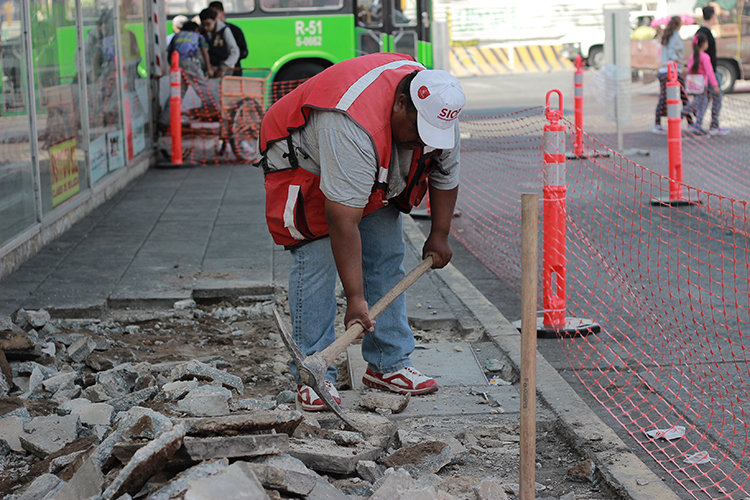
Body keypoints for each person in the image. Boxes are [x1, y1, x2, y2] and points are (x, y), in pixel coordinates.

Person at [257, 53, 466, 411]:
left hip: (368, 153)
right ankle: (313, 372)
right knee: (316, 257)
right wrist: (355, 299)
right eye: (418, 132)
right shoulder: (351, 125)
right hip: (304, 155)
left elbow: (446, 175)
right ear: (402, 105)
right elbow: (343, 221)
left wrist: (440, 234)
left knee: (386, 252)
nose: (424, 141)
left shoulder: (438, 113)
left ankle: (389, 363)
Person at [653, 16, 691, 134]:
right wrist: (682, 62)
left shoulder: (666, 35)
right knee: (684, 97)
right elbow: (672, 55)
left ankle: (657, 123)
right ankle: (691, 123)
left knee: (663, 98)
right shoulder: (674, 36)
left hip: (664, 71)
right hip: (673, 72)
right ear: (679, 25)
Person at [695, 5, 729, 135]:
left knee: (704, 100)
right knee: (716, 97)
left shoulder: (700, 32)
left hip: (706, 72)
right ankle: (713, 125)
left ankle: (698, 125)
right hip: (709, 72)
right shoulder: (705, 33)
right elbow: (705, 58)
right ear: (713, 16)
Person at [683, 33, 721, 135]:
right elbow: (710, 72)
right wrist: (715, 85)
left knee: (701, 105)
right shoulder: (705, 57)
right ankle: (682, 112)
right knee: (699, 103)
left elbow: (689, 70)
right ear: (704, 44)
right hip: (701, 86)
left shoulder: (693, 56)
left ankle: (698, 126)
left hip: (693, 84)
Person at [208, 1, 247, 76]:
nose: (212, 16)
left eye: (215, 13)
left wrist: (226, 62)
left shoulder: (234, 30)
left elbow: (243, 52)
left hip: (233, 72)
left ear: (223, 13)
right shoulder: (207, 32)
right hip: (215, 73)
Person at [199, 7, 239, 79]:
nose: (205, 28)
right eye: (203, 25)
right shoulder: (202, 33)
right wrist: (208, 67)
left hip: (225, 70)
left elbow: (235, 51)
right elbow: (202, 51)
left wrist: (224, 67)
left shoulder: (224, 30)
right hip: (209, 71)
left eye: (208, 24)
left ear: (215, 20)